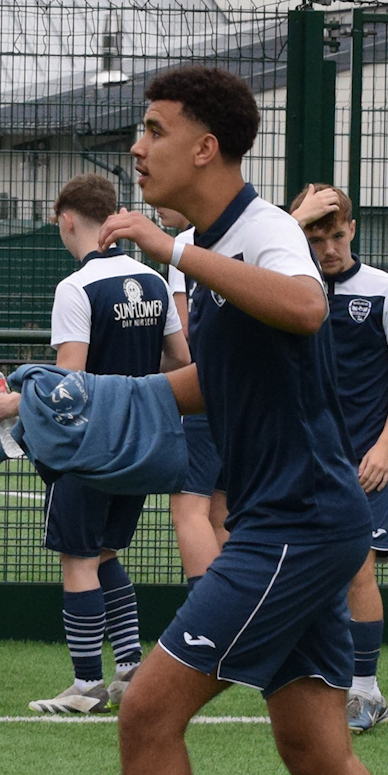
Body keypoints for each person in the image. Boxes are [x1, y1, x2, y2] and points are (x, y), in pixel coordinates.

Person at [24, 67, 388, 775]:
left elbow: (304, 306)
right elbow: (213, 386)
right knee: (312, 744)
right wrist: (74, 400)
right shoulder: (215, 251)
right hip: (290, 514)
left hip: (296, 522)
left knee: (145, 709)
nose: (137, 147)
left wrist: (170, 246)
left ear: (205, 147)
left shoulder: (255, 237)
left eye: (153, 129)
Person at [17, 174, 187, 716]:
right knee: (108, 553)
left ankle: (87, 683)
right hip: (139, 443)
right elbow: (181, 361)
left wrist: (18, 403)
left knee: (78, 559)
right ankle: (131, 671)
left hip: (89, 446)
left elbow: (70, 383)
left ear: (68, 220)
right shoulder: (155, 281)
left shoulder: (77, 287)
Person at [290, 184, 388, 732]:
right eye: (316, 238)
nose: (329, 249)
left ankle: (366, 691)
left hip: (365, 458)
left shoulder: (386, 289)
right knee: (305, 569)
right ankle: (319, 680)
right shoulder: (291, 291)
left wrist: (386, 444)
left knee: (358, 569)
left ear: (354, 230)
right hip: (303, 457)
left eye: (337, 236)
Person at [158, 208, 227, 582]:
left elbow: (185, 331)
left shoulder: (184, 244)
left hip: (207, 389)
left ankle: (209, 623)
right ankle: (237, 620)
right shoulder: (252, 230)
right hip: (249, 393)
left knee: (189, 509)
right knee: (222, 512)